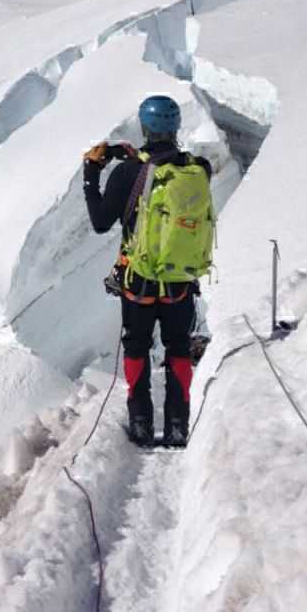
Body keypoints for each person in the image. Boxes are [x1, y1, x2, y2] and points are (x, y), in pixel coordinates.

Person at [82, 95, 212, 448]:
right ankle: (177, 425)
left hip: (138, 283)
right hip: (179, 284)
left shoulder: (127, 173)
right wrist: (135, 157)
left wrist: (91, 174)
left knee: (137, 346)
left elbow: (99, 221)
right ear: (175, 127)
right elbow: (164, 169)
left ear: (144, 126)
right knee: (179, 348)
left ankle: (140, 422)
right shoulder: (198, 169)